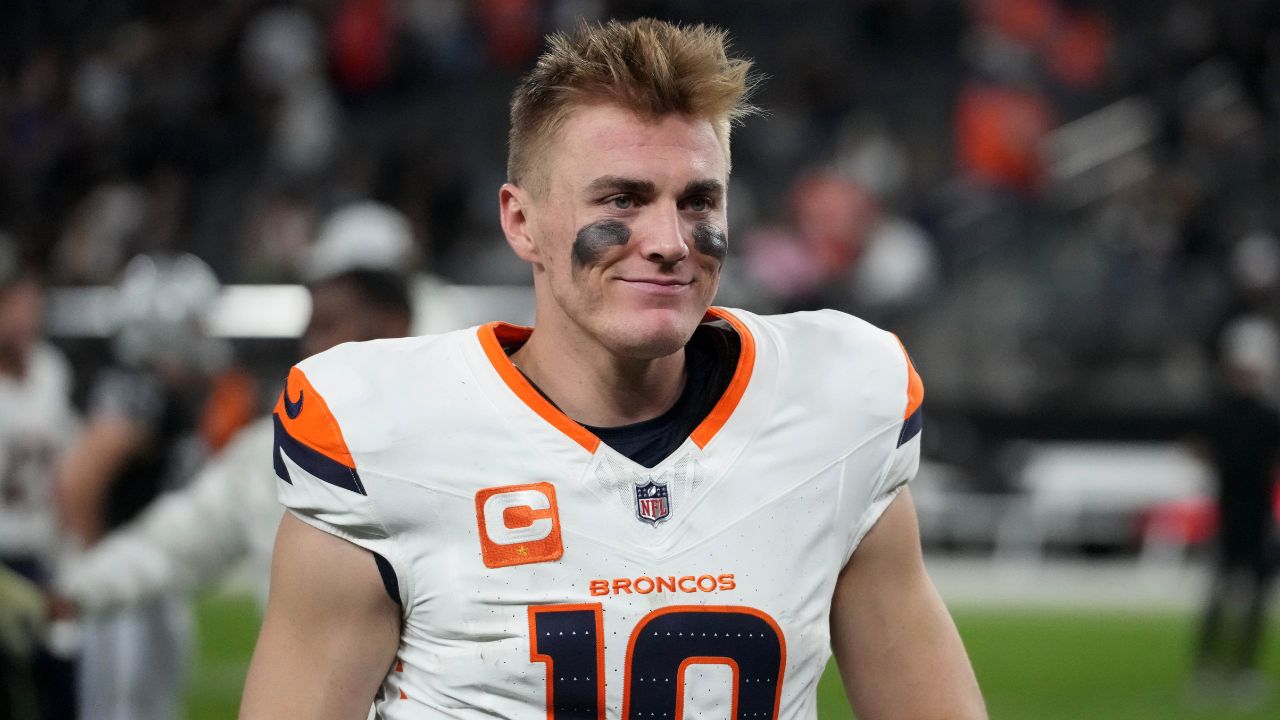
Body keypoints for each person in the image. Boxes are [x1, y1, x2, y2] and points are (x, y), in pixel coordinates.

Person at [241, 18, 986, 720]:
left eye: (698, 201)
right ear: (521, 222)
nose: (670, 240)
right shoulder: (388, 434)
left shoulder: (831, 408)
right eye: (623, 199)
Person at [53, 264, 414, 614]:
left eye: (328, 326)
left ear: (393, 327)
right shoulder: (270, 452)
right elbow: (176, 540)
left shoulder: (437, 439)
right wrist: (75, 590)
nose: (311, 346)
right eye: (309, 331)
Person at [56, 253, 249, 720]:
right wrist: (97, 562)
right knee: (123, 706)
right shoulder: (140, 390)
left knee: (155, 700)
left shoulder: (168, 389)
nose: (204, 333)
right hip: (126, 572)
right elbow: (78, 479)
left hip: (150, 568)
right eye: (196, 322)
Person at [0, 234, 78, 720]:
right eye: (14, 305)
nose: (25, 317)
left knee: (62, 687)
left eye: (32, 305)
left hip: (42, 554)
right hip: (1, 554)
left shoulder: (51, 370)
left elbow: (69, 467)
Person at [1193, 315, 1280, 707]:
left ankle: (1238, 667)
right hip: (1231, 513)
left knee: (1250, 597)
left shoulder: (1260, 417)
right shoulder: (1227, 415)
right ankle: (1210, 666)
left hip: (1254, 515)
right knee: (1221, 594)